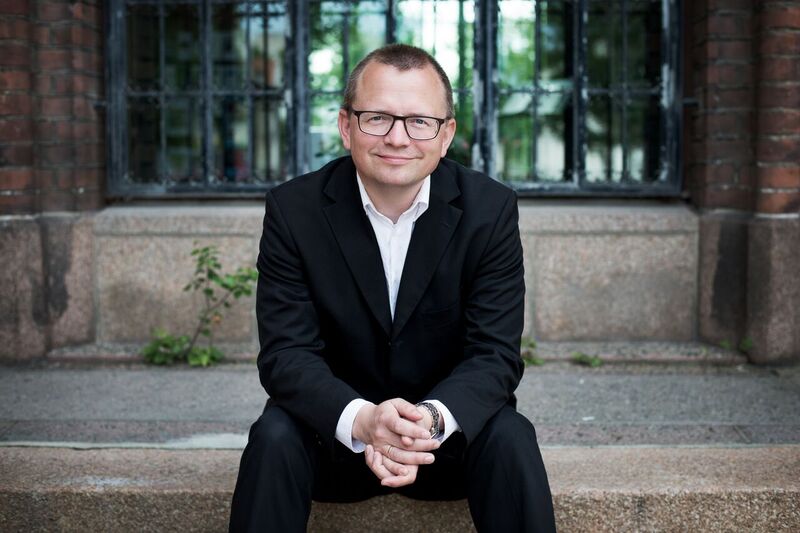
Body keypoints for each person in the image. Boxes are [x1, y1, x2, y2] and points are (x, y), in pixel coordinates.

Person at [229, 43, 556, 532]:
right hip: (334, 442)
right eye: (377, 117)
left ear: (446, 135)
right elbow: (286, 355)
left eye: (419, 121)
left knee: (511, 436)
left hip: (444, 448)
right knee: (273, 435)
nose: (398, 138)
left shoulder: (490, 211)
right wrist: (363, 421)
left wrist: (427, 421)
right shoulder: (293, 211)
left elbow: (494, 354)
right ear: (345, 126)